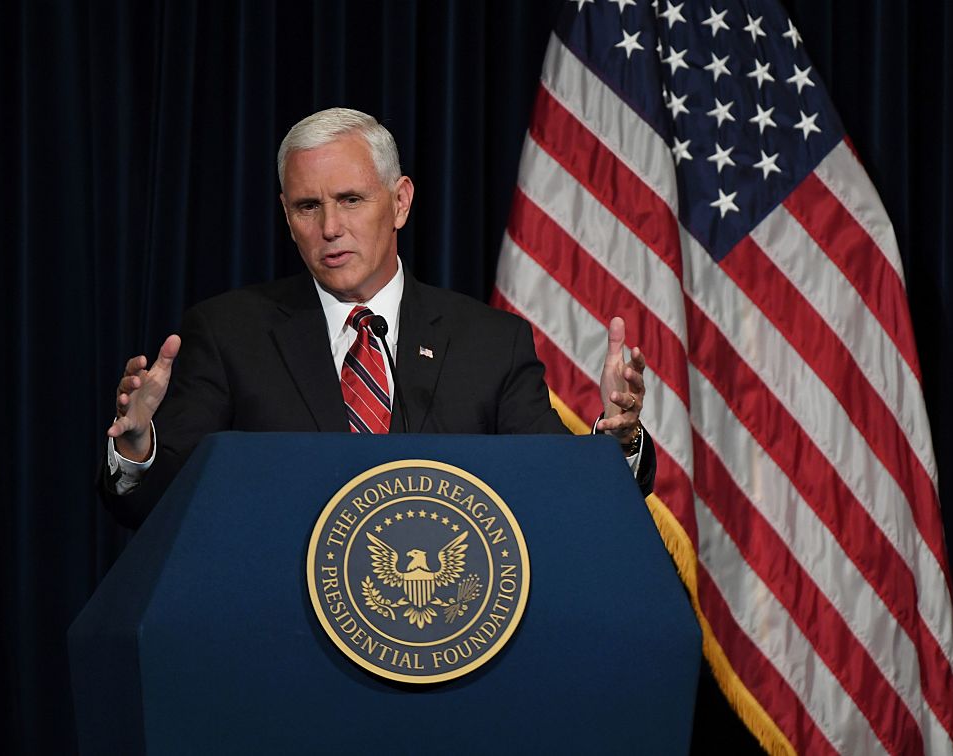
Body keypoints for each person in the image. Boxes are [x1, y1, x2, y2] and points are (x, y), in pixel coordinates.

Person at [101, 108, 654, 529]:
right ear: (286, 216)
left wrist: (621, 440)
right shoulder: (229, 334)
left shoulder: (489, 343)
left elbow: (561, 492)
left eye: (350, 199)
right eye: (307, 207)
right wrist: (136, 449)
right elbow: (157, 508)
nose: (330, 228)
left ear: (400, 202)